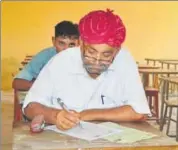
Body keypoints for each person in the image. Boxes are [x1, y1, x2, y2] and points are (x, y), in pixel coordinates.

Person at [23, 9, 151, 130]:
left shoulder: (125, 60)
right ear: (81, 43)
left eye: (106, 55)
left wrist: (87, 114)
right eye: (91, 51)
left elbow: (139, 111)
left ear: (117, 50)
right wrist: (55, 115)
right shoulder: (61, 61)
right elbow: (30, 107)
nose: (97, 60)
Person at [12, 21, 80, 91]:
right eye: (61, 43)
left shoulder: (85, 58)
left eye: (72, 45)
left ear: (78, 43)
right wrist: (45, 86)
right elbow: (17, 83)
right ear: (53, 41)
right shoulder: (45, 56)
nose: (66, 49)